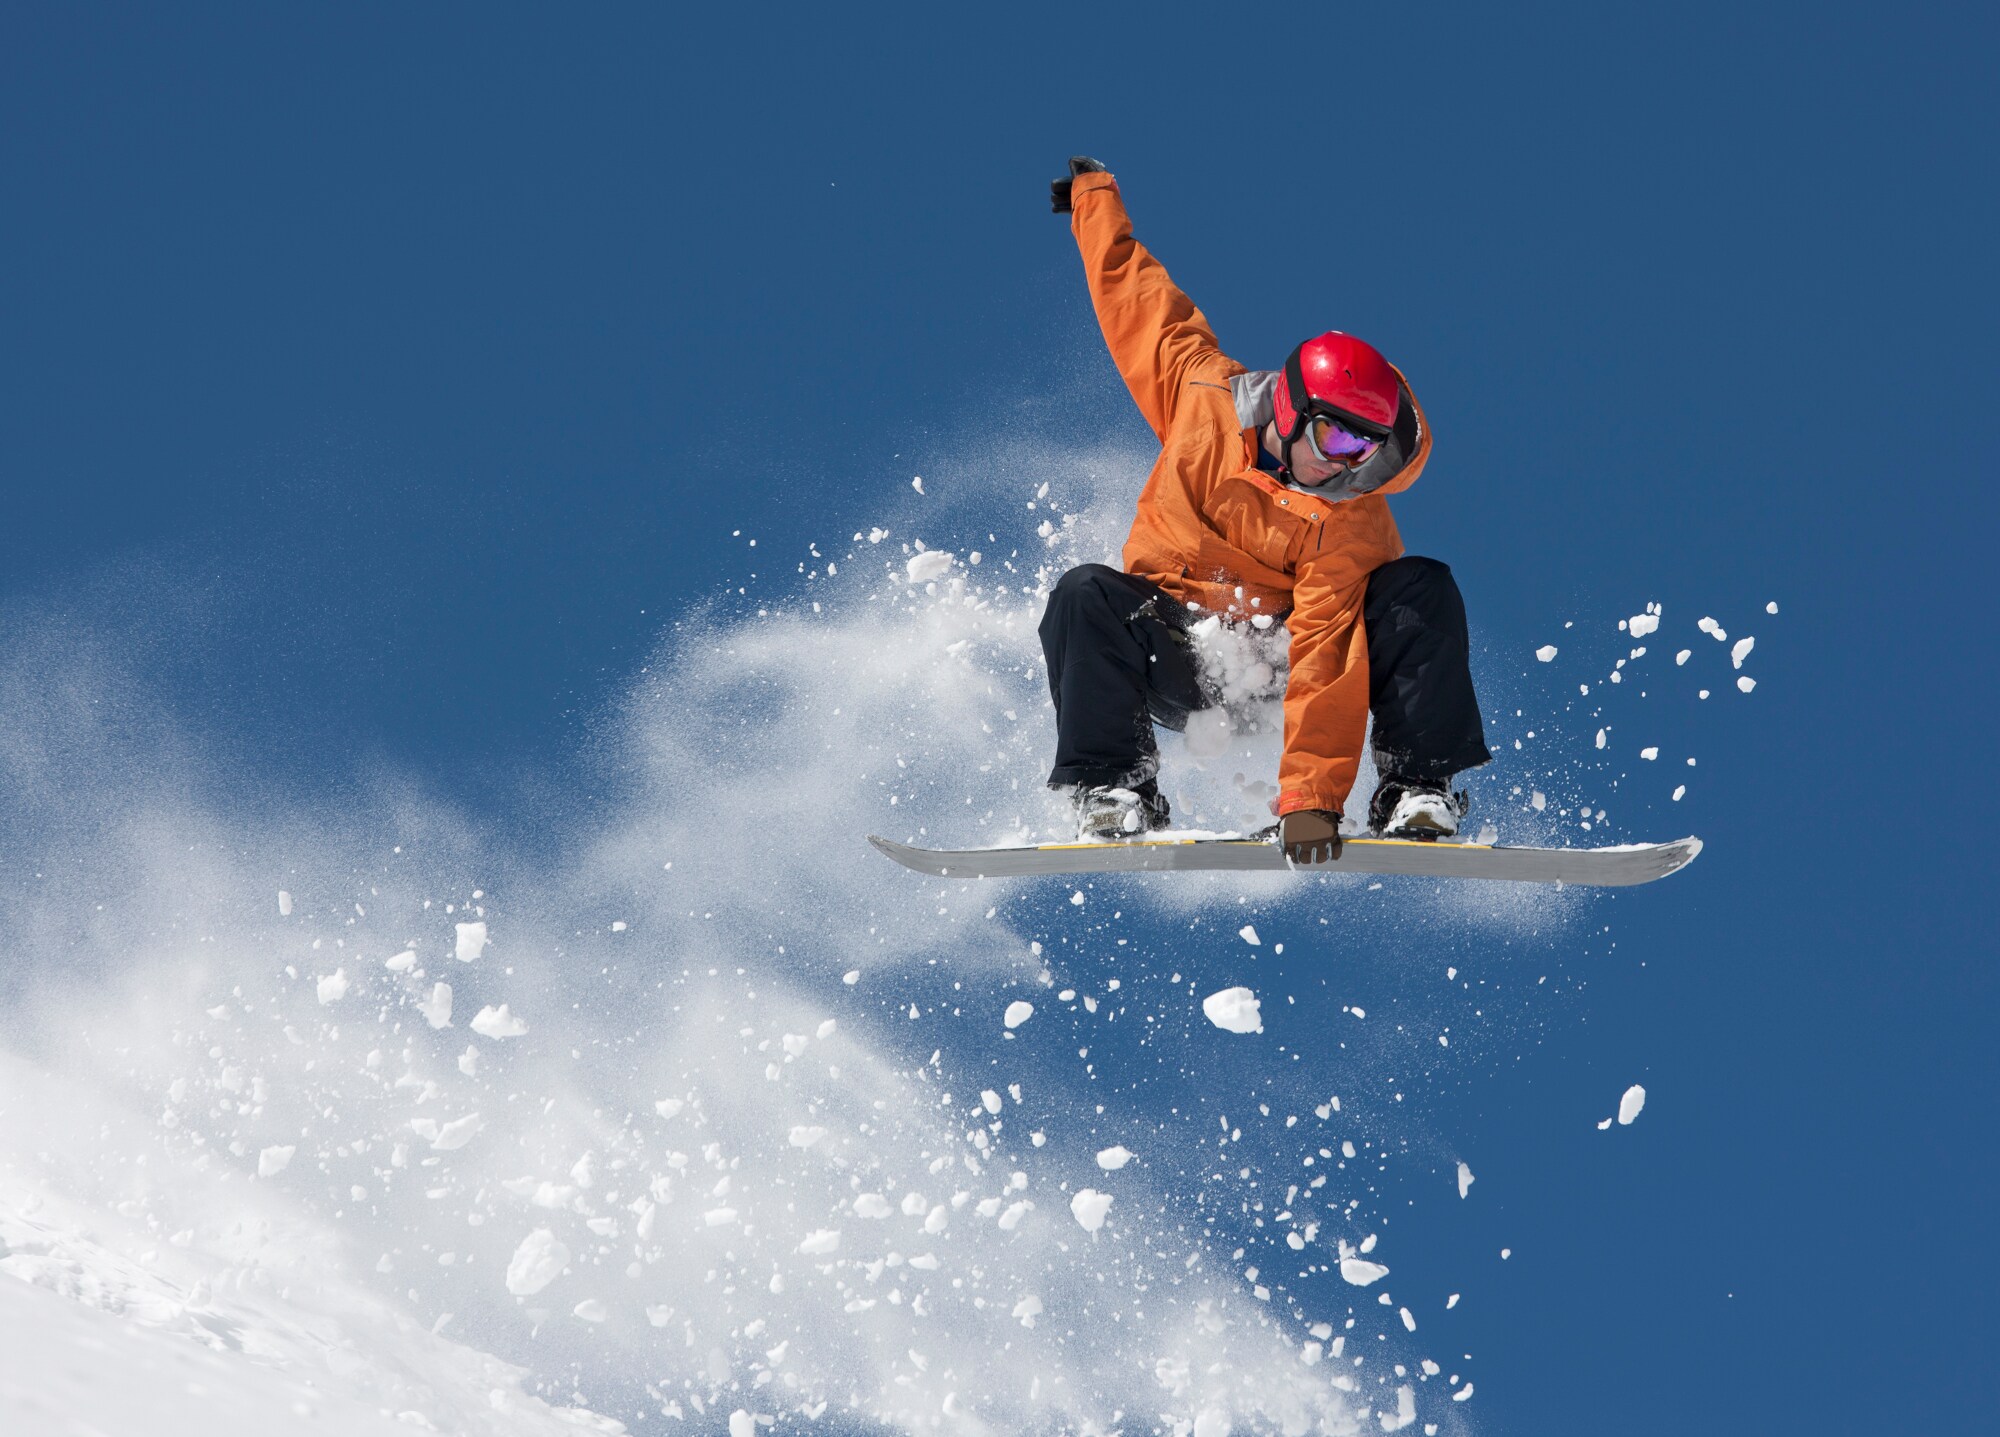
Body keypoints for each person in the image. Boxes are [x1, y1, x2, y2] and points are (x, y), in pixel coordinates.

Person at [1042, 158, 1491, 865]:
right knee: (1083, 594)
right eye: (1336, 439)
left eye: (1365, 449)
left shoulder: (1351, 516)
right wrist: (1093, 200)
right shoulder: (1200, 400)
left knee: (1420, 588)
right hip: (1176, 653)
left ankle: (1416, 787)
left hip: (1276, 669)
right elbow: (1134, 298)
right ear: (1291, 409)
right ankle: (1115, 788)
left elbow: (1328, 655)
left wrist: (1310, 801)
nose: (1346, 465)